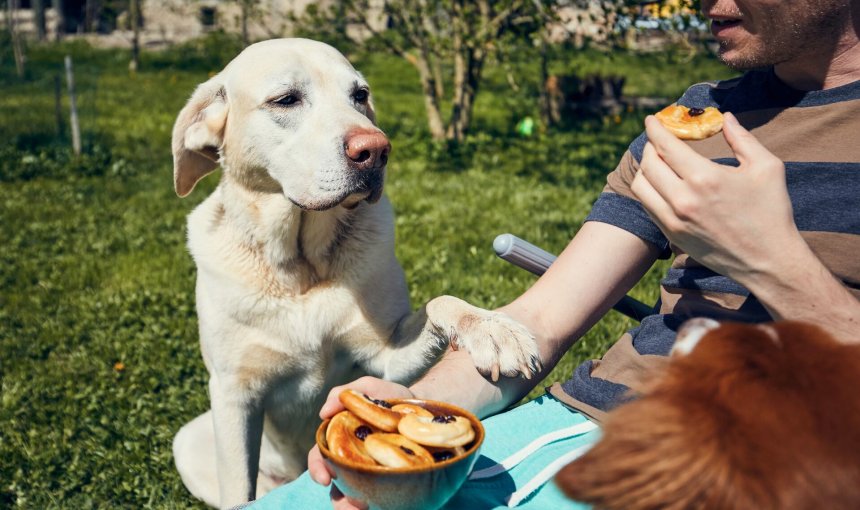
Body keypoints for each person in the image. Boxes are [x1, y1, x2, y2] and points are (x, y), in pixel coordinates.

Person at [249, 0, 860, 508]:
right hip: (577, 431)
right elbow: (542, 320)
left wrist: (771, 262)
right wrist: (424, 411)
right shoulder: (698, 117)